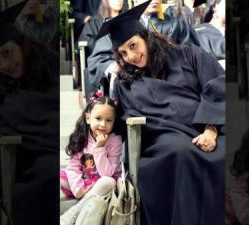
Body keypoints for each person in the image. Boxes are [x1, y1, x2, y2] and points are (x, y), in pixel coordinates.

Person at [94, 1, 225, 224]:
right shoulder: (126, 83)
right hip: (162, 143)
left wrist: (210, 130)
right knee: (181, 153)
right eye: (123, 53)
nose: (131, 56)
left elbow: (218, 83)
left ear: (145, 37)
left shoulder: (187, 55)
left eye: (133, 46)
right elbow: (125, 120)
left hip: (208, 127)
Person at [0, 2, 59, 225]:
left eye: (7, 53)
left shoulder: (50, 65)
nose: (5, 65)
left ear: (20, 43)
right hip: (29, 166)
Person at [87, 0, 201, 98]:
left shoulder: (175, 23)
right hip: (136, 88)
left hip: (172, 82)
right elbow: (98, 59)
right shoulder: (121, 25)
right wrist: (115, 67)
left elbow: (190, 53)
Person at [59, 93, 122, 225]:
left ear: (114, 121)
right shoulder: (82, 137)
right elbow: (73, 167)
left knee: (109, 182)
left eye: (109, 120)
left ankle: (73, 213)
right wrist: (78, 189)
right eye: (98, 118)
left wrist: (100, 148)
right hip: (83, 181)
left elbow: (107, 173)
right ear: (88, 118)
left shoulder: (114, 140)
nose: (103, 124)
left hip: (100, 183)